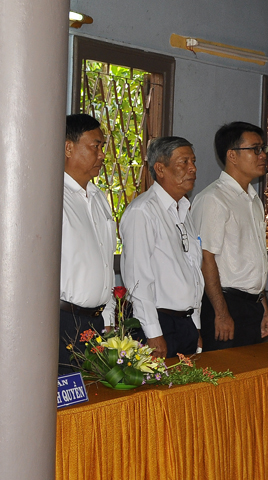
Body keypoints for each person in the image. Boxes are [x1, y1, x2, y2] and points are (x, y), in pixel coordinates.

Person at [192, 122, 268, 351]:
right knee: (225, 372)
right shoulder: (213, 199)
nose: (263, 155)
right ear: (232, 155)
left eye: (263, 148)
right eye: (255, 149)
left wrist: (264, 308)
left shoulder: (253, 200)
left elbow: (254, 261)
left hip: (252, 306)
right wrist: (221, 313)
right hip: (225, 305)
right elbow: (205, 258)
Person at [120, 137, 204, 359]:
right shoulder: (143, 212)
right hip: (158, 323)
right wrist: (153, 333)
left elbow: (194, 273)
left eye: (193, 161)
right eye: (183, 162)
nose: (192, 168)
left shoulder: (183, 210)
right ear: (160, 169)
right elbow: (138, 278)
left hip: (185, 322)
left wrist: (195, 326)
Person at [58, 114, 116, 374]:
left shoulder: (98, 197)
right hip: (63, 321)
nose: (102, 155)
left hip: (97, 321)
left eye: (102, 147)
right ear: (68, 148)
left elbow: (106, 262)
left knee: (95, 394)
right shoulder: (51, 195)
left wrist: (109, 318)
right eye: (96, 146)